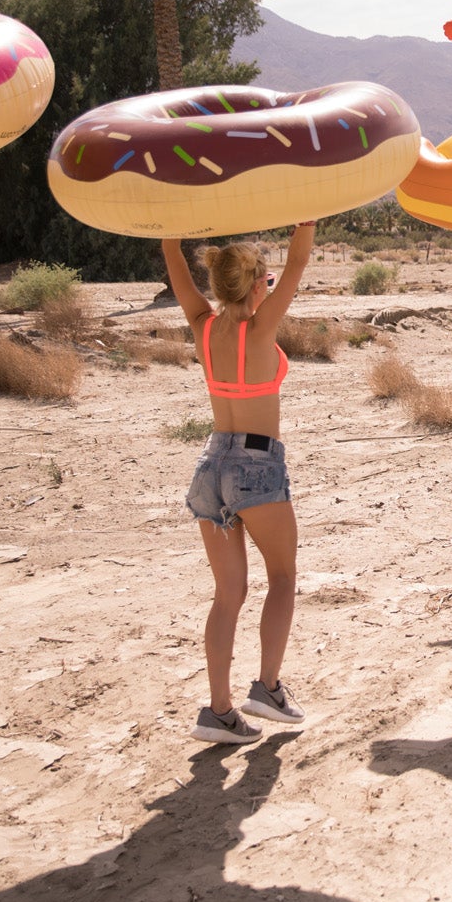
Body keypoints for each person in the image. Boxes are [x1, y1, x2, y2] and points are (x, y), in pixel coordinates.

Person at [161, 223, 315, 746]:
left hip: (212, 464)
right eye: (264, 281)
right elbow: (298, 269)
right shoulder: (260, 327)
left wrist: (166, 236)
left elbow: (178, 270)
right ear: (254, 287)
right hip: (256, 463)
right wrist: (307, 223)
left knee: (228, 594)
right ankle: (267, 689)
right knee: (283, 577)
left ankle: (219, 711)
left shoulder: (203, 326)